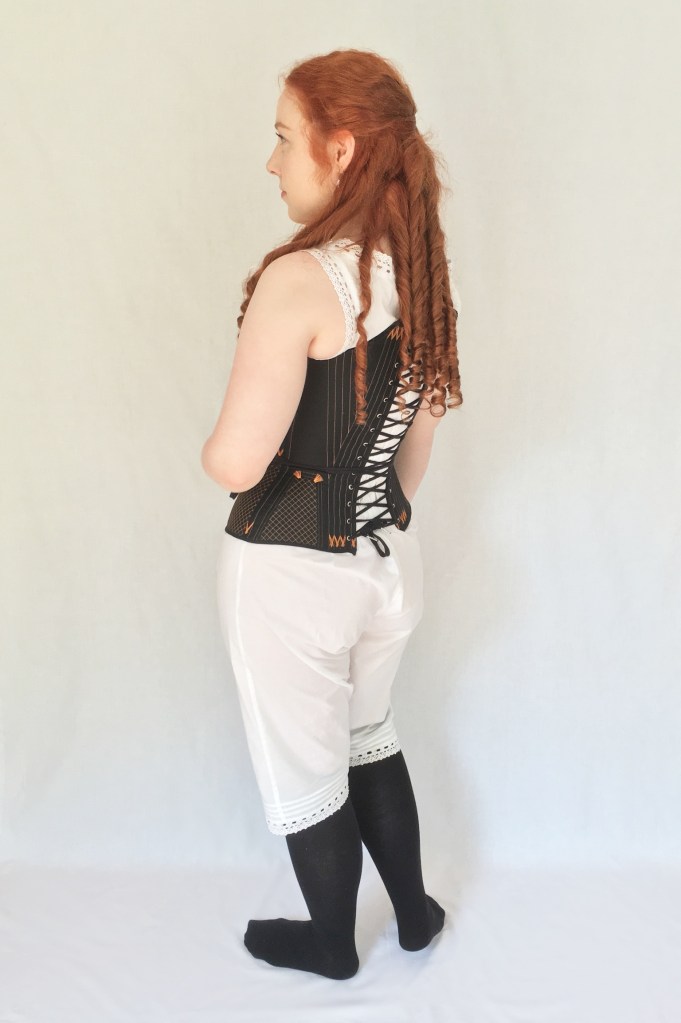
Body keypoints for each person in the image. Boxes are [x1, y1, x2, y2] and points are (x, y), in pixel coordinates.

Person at [201, 48, 462, 980]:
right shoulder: (418, 274)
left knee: (308, 764)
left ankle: (328, 944)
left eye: (284, 137)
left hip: (290, 575)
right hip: (388, 568)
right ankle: (415, 915)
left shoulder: (301, 279)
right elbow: (412, 455)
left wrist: (212, 454)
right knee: (368, 733)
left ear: (340, 147)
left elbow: (237, 461)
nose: (272, 161)